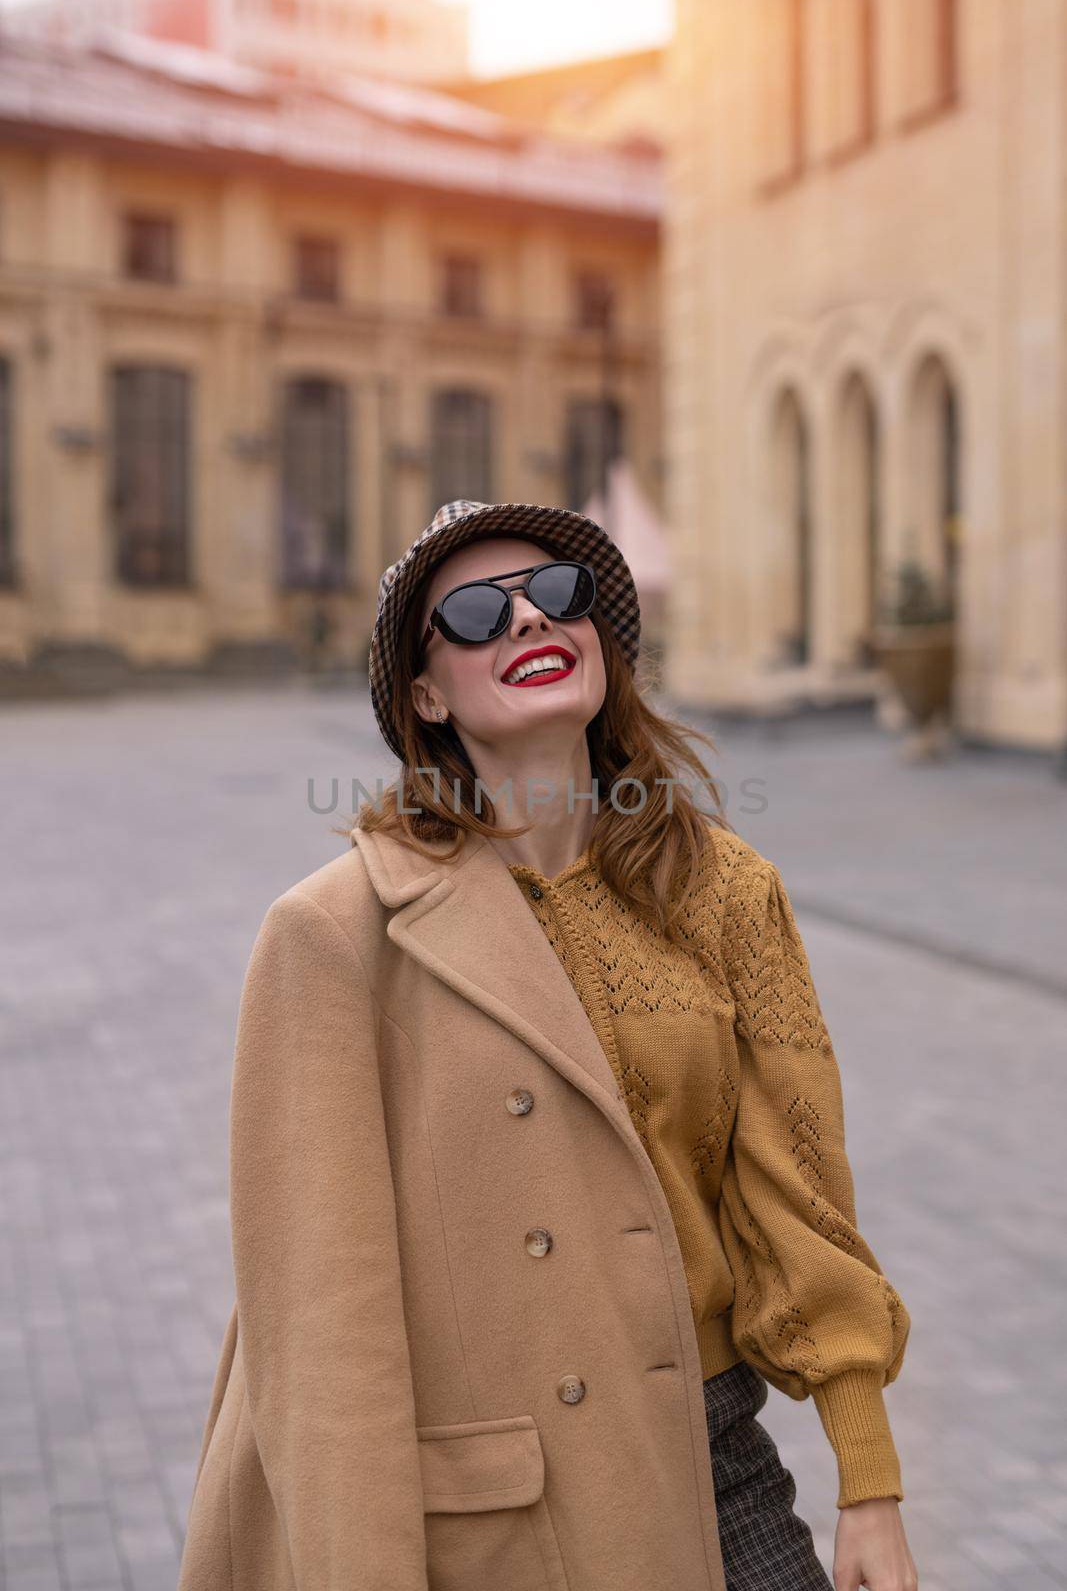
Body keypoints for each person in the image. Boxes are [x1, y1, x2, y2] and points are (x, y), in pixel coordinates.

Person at [177, 499, 919, 1591]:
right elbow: (323, 1331)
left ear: (600, 647)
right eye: (476, 613)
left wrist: (869, 1484)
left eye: (556, 595)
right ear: (424, 695)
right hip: (496, 1510)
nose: (527, 619)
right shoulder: (337, 935)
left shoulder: (721, 892)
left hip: (712, 1456)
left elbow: (795, 1198)